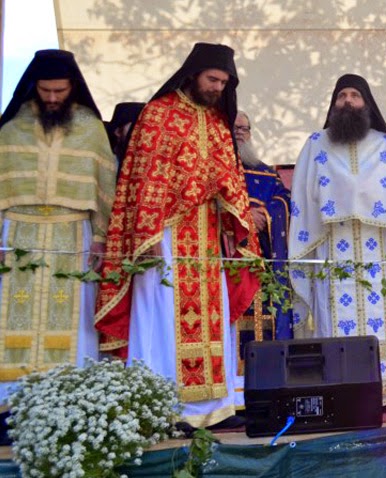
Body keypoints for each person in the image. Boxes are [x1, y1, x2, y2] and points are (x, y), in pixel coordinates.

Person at [95, 43, 260, 427]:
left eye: (224, 83)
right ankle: (163, 408)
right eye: (213, 79)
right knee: (163, 318)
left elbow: (231, 180)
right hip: (164, 237)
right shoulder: (158, 114)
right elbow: (143, 182)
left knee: (212, 319)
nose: (218, 87)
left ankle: (213, 409)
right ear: (194, 73)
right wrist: (149, 231)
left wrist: (233, 219)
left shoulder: (218, 122)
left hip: (208, 236)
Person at [288, 74, 386, 408]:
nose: (348, 101)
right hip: (332, 250)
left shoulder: (385, 146)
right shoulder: (315, 145)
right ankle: (339, 392)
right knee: (331, 317)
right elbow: (303, 200)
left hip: (379, 252)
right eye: (342, 95)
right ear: (333, 103)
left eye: (355, 95)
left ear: (366, 103)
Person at [0, 49, 115, 410]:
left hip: (72, 234)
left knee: (73, 316)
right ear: (34, 87)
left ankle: (69, 403)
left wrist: (100, 237)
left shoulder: (90, 127)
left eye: (59, 91)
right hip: (18, 234)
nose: (52, 98)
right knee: (10, 315)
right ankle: (10, 405)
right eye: (45, 90)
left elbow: (104, 186)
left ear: (72, 88)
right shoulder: (12, 127)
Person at [233, 110, 294, 408]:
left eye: (244, 128)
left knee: (267, 319)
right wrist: (244, 216)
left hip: (265, 264)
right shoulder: (218, 170)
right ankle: (233, 388)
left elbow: (284, 200)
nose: (240, 133)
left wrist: (266, 214)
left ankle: (269, 387)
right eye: (234, 128)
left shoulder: (266, 172)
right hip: (231, 261)